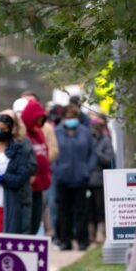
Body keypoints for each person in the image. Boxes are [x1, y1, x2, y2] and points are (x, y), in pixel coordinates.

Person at [0, 113, 36, 233]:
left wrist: (4, 178)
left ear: (10, 129)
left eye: (3, 129)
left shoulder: (20, 150)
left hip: (7, 204)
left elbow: (21, 177)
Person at [53, 103, 97, 251]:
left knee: (81, 212)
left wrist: (87, 170)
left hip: (81, 178)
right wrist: (57, 171)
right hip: (62, 179)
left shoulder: (85, 132)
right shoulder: (56, 132)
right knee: (63, 212)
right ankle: (65, 241)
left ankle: (83, 241)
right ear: (64, 118)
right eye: (69, 117)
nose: (71, 119)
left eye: (74, 116)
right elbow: (52, 154)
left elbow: (93, 153)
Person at [20, 99, 52, 235]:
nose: (39, 123)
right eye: (36, 120)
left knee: (36, 220)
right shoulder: (22, 135)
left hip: (40, 187)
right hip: (27, 187)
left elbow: (45, 154)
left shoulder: (39, 133)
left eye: (41, 120)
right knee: (27, 222)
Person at [87, 115, 115, 244]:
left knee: (100, 208)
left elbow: (110, 160)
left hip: (99, 181)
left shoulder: (105, 141)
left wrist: (98, 154)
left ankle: (101, 233)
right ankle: (90, 234)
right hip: (86, 180)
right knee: (89, 209)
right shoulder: (86, 140)